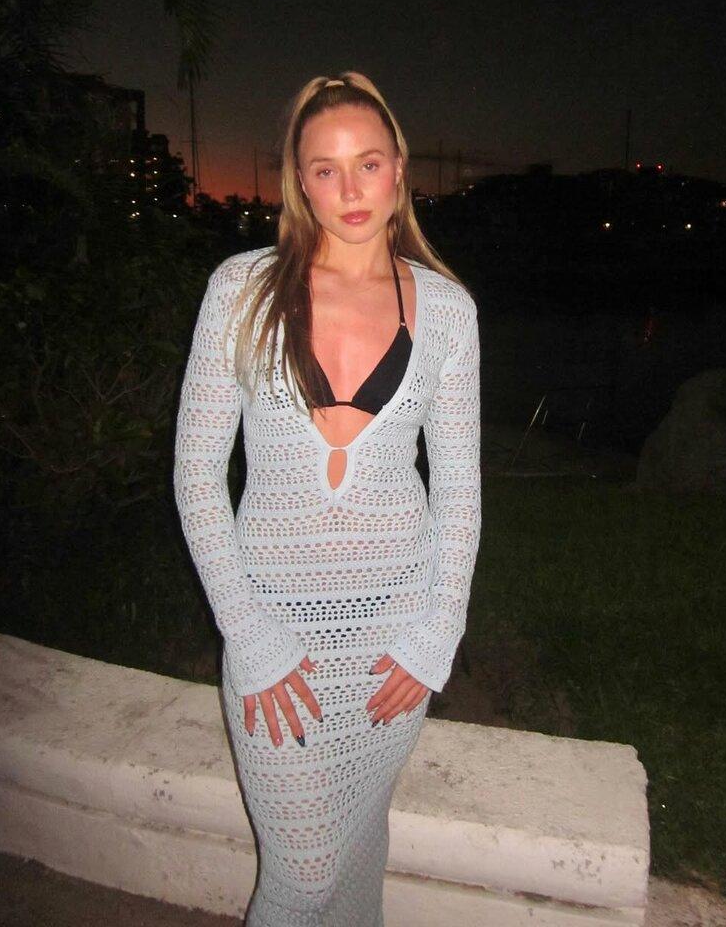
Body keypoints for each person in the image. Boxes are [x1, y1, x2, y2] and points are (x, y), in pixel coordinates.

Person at [173, 71, 481, 926]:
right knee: (303, 873)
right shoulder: (242, 290)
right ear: (298, 182)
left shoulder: (447, 312)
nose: (350, 189)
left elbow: (459, 490)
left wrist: (438, 632)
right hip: (274, 633)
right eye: (325, 169)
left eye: (368, 163)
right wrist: (249, 633)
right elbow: (196, 474)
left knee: (357, 846)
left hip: (395, 640)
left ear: (399, 170)